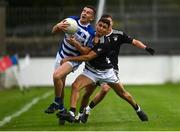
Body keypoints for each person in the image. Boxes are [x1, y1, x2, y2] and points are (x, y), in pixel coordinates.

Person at [58, 18, 153, 123]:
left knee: (123, 94)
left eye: (104, 27)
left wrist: (68, 58)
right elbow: (82, 45)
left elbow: (87, 57)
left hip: (106, 73)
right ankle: (72, 113)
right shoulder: (90, 35)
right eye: (100, 25)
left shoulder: (105, 42)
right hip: (90, 71)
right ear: (96, 25)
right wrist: (68, 33)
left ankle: (138, 109)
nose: (101, 28)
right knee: (76, 86)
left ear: (107, 30)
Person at [44, 5, 96, 123]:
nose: (84, 13)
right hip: (61, 55)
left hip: (72, 59)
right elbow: (53, 31)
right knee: (60, 84)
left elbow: (86, 52)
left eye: (88, 13)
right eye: (84, 10)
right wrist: (58, 26)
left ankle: (57, 102)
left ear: (92, 18)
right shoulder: (71, 20)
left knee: (57, 76)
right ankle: (62, 110)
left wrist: (76, 44)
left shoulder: (91, 33)